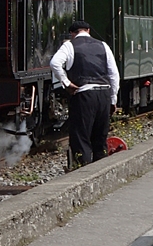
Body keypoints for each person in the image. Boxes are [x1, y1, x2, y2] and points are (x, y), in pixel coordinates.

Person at [50, 19, 120, 168]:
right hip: (104, 94)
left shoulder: (69, 45)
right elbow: (114, 74)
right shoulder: (103, 45)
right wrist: (113, 99)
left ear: (72, 33)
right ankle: (101, 169)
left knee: (81, 137)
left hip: (84, 95)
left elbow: (55, 63)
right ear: (88, 31)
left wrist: (66, 82)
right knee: (100, 138)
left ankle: (83, 169)